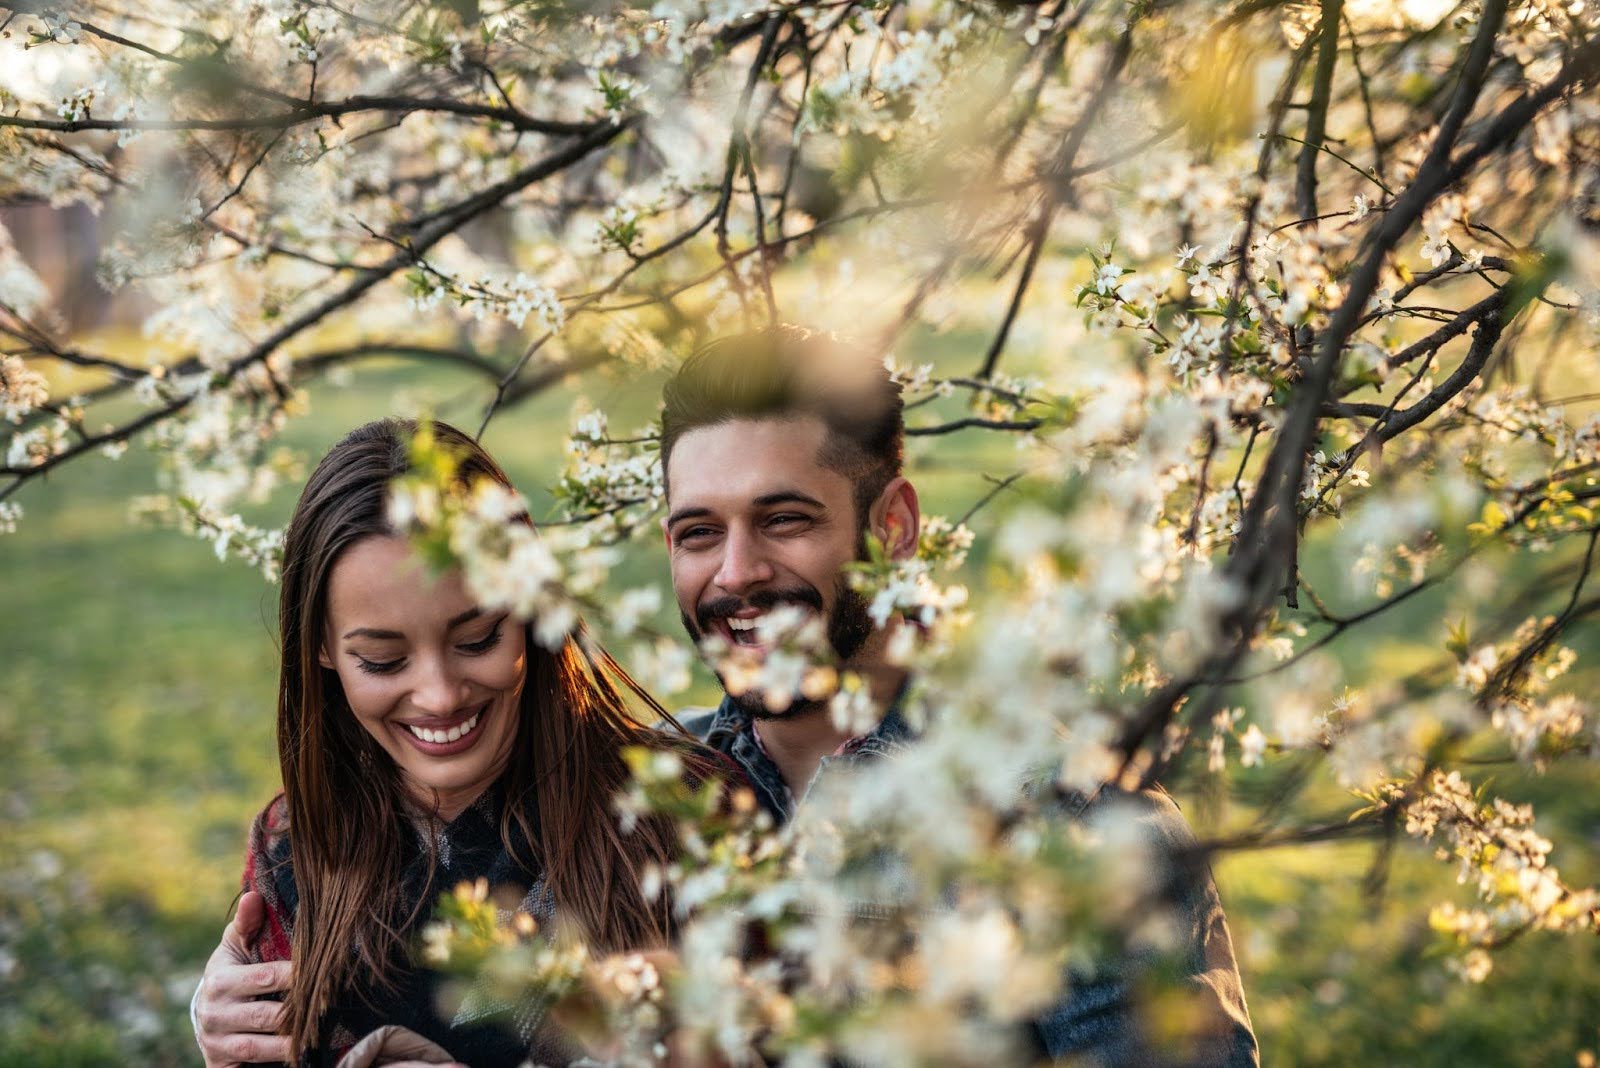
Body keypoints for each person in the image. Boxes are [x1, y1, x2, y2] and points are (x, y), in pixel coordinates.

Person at [655, 326, 1259, 1065]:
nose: (736, 572)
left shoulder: (1070, 813)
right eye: (699, 533)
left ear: (895, 528)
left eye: (783, 519)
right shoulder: (640, 792)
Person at [192, 418, 723, 1067]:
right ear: (323, 651)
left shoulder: (675, 817)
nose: (440, 695)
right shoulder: (295, 854)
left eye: (477, 640)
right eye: (384, 661)